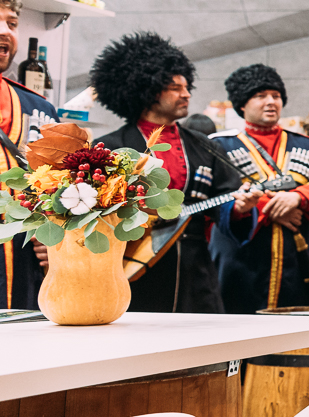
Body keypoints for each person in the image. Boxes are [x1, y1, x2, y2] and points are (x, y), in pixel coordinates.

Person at [93, 32, 251, 313]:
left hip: (197, 272)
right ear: (148, 90)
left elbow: (227, 200)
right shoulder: (110, 146)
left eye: (186, 86)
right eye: (175, 88)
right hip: (133, 268)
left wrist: (240, 207)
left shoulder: (205, 146)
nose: (186, 94)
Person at [210, 65, 309, 313]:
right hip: (240, 257)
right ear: (242, 104)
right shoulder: (220, 147)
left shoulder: (305, 145)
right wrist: (270, 207)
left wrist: (298, 198)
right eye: (260, 96)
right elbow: (215, 197)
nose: (271, 102)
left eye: (276, 96)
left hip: (296, 260)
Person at [0, 0, 59, 308]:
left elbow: (64, 193)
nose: (5, 31)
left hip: (26, 274)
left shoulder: (40, 110)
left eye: (12, 23)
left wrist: (56, 241)